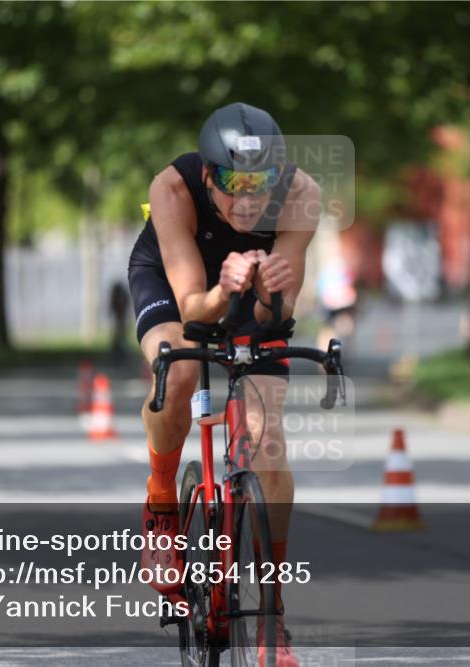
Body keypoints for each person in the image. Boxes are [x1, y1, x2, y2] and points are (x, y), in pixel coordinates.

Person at [127, 102, 320, 666]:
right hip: (175, 280)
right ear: (208, 175)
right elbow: (194, 309)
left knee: (267, 439)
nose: (249, 198)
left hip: (250, 291)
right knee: (179, 367)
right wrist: (224, 288)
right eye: (233, 182)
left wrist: (267, 292)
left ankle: (272, 617)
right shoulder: (173, 189)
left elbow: (274, 316)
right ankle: (163, 500)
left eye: (261, 182)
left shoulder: (301, 195)